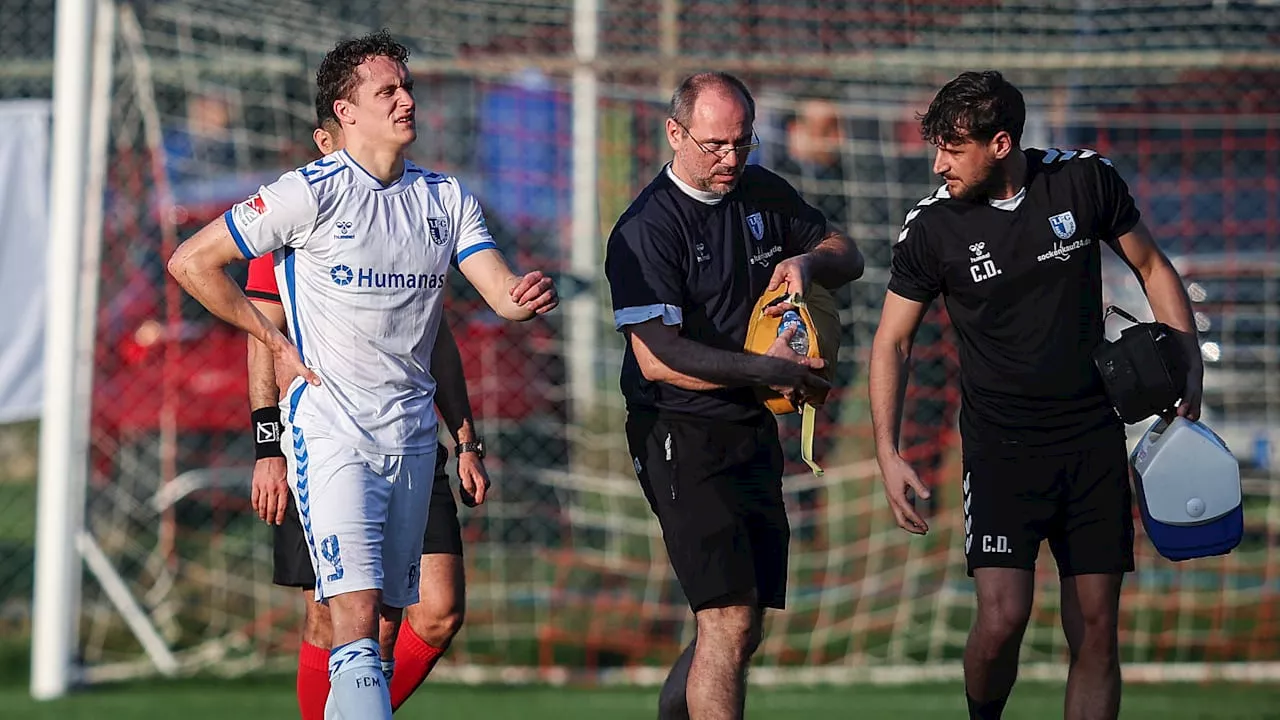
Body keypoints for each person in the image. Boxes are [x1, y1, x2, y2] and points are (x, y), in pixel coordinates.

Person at [168, 31, 557, 719]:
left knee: (398, 623)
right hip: (329, 437)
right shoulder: (304, 195)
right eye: (389, 91)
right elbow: (191, 263)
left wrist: (522, 299)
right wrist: (271, 348)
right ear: (345, 114)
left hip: (410, 443)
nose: (408, 99)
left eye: (407, 87)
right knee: (352, 618)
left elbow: (494, 296)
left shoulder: (445, 199)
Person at [869, 70, 1203, 720]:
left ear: (1000, 144)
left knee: (1098, 632)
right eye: (934, 146)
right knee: (1002, 621)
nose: (938, 164)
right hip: (999, 452)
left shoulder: (1084, 180)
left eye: (952, 148)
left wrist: (1188, 364)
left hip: (1092, 441)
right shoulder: (931, 229)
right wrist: (887, 450)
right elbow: (892, 343)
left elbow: (1153, 266)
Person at [604, 71, 864, 720]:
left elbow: (846, 251)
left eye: (741, 143)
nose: (729, 159)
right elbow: (657, 359)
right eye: (715, 144)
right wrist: (762, 368)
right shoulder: (645, 229)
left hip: (751, 427)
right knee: (724, 618)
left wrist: (807, 263)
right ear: (675, 133)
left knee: (741, 629)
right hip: (678, 431)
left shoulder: (762, 191)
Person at [245, 118, 487, 720]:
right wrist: (267, 447)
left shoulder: (422, 207)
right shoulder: (301, 211)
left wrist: (465, 438)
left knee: (436, 612)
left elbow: (436, 337)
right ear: (329, 138)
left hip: (408, 434)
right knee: (337, 617)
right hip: (325, 437)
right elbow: (263, 338)